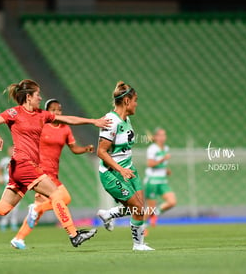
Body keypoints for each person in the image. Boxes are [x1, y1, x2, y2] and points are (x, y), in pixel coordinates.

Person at [0, 79, 110, 248]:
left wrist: (93, 121)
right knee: (57, 194)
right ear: (28, 97)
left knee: (3, 208)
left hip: (20, 169)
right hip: (24, 164)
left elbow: (67, 119)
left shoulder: (41, 115)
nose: (40, 98)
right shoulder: (14, 113)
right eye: (37, 95)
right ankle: (74, 234)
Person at [10, 98, 95, 249]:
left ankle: (19, 238)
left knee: (39, 208)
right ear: (47, 111)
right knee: (64, 199)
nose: (57, 112)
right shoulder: (41, 125)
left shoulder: (65, 129)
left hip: (54, 173)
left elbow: (74, 148)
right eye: (53, 109)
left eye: (59, 109)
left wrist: (85, 149)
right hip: (41, 172)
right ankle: (70, 232)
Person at [96, 81, 154, 251]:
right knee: (136, 206)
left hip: (129, 170)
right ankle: (138, 245)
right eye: (135, 100)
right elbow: (101, 151)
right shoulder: (111, 121)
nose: (137, 104)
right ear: (127, 101)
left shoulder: (126, 119)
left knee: (140, 207)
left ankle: (108, 214)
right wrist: (121, 169)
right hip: (112, 173)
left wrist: (127, 168)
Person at [143, 128, 176, 229]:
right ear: (155, 137)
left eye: (164, 135)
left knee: (172, 202)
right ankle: (141, 227)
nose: (162, 138)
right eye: (160, 135)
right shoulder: (152, 148)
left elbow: (160, 165)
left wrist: (166, 170)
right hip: (152, 181)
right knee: (150, 207)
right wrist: (163, 159)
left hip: (162, 181)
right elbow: (150, 164)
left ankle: (155, 214)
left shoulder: (166, 148)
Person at [0, 146, 20, 231]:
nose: (11, 152)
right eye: (10, 150)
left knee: (16, 205)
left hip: (17, 184)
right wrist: (0, 178)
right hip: (8, 183)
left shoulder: (18, 160)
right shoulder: (5, 160)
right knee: (6, 204)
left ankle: (13, 223)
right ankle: (4, 223)